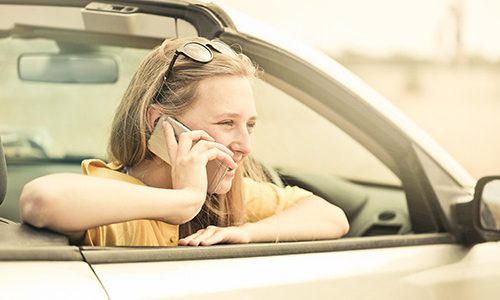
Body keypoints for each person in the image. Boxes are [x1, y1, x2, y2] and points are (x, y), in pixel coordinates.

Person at [19, 37, 349, 246]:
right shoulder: (111, 192)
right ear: (159, 123)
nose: (245, 145)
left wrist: (247, 232)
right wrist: (184, 200)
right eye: (226, 123)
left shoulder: (223, 194)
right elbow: (41, 200)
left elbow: (331, 216)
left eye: (250, 124)